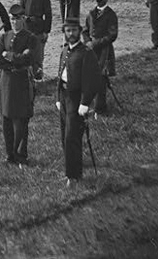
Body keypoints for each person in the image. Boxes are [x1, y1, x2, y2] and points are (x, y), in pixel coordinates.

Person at [56, 14, 102, 186]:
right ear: (64, 33)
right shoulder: (65, 50)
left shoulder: (86, 53)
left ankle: (74, 176)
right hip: (65, 97)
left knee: (72, 138)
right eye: (68, 31)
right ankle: (70, 170)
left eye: (74, 30)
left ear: (80, 32)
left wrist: (85, 102)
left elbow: (93, 80)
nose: (71, 33)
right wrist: (58, 97)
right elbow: (60, 75)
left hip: (76, 99)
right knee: (64, 137)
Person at [0, 6, 37, 165]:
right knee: (6, 120)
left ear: (23, 19)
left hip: (21, 83)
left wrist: (11, 56)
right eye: (12, 19)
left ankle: (21, 154)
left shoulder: (30, 38)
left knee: (21, 120)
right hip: (6, 83)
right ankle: (9, 155)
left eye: (18, 19)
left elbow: (29, 59)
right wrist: (13, 64)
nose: (15, 22)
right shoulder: (5, 37)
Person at [82, 0, 118, 115]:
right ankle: (91, 105)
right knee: (90, 78)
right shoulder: (91, 14)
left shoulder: (111, 15)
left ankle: (100, 108)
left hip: (104, 51)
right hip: (91, 51)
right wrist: (87, 42)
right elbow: (85, 30)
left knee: (102, 79)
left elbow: (112, 35)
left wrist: (95, 43)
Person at [16, 0, 52, 81]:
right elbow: (20, 12)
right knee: (26, 53)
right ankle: (28, 76)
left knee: (38, 54)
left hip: (39, 28)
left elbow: (48, 15)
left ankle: (38, 75)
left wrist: (46, 31)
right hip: (27, 28)